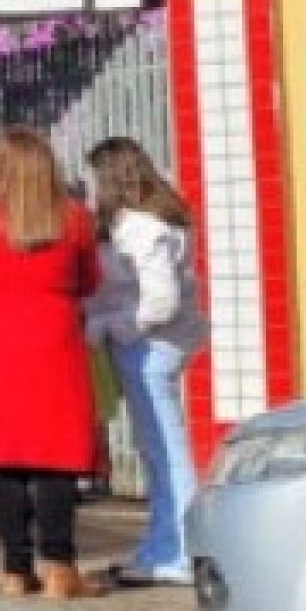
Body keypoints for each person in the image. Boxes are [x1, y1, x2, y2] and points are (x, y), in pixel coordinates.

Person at [0, 126, 107, 600]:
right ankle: (61, 567)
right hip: (53, 341)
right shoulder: (74, 219)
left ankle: (14, 570)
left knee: (6, 461)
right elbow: (90, 280)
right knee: (56, 459)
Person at [84, 137, 207, 587]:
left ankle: (178, 551)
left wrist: (109, 326)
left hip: (149, 347)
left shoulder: (141, 228)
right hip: (153, 345)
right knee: (158, 451)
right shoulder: (160, 219)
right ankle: (163, 545)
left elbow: (160, 302)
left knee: (164, 451)